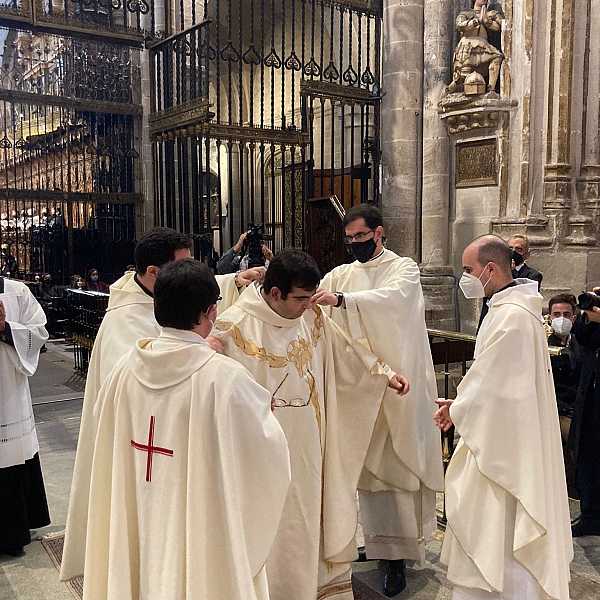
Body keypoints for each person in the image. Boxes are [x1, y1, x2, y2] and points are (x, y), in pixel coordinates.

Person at [61, 227, 267, 581]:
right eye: (180, 266)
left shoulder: (158, 298)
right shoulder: (122, 319)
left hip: (163, 455)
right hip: (149, 458)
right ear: (155, 273)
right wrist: (199, 350)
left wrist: (235, 279)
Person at [214, 248, 409, 600]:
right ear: (274, 293)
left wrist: (383, 374)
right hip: (259, 457)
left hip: (308, 448)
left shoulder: (312, 317)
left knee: (307, 515)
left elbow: (346, 353)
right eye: (301, 298)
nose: (309, 304)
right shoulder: (233, 329)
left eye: (311, 296)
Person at [315, 204, 444, 596]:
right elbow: (322, 307)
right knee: (366, 471)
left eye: (360, 237)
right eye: (349, 238)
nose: (354, 244)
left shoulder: (403, 268)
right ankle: (377, 544)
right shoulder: (341, 273)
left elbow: (395, 301)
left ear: (379, 232)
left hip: (400, 384)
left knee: (396, 470)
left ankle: (397, 558)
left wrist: (344, 302)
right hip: (361, 386)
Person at [434, 235, 572, 599]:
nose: (465, 278)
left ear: (490, 269)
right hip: (504, 431)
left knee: (499, 526)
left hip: (505, 446)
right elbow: (488, 377)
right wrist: (460, 401)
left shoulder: (512, 317)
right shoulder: (509, 309)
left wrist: (458, 408)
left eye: (469, 270)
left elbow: (496, 387)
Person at [0, 275, 50, 557]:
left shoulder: (16, 291)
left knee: (9, 458)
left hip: (8, 390)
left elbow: (40, 332)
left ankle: (10, 533)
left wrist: (6, 328)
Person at [569, 297, 600, 537]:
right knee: (587, 453)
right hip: (590, 392)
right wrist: (589, 317)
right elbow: (580, 335)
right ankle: (590, 515)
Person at [446, 0, 504, 95]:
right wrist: (476, 21)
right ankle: (452, 89)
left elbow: (502, 26)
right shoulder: (466, 14)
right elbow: (460, 25)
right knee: (463, 73)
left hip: (483, 45)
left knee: (497, 58)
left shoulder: (492, 13)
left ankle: (491, 89)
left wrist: (487, 21)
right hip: (468, 45)